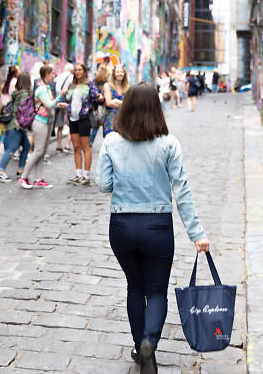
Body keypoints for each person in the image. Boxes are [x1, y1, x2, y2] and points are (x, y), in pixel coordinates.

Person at [95, 83, 209, 372]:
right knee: (156, 290)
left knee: (135, 285)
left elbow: (103, 185)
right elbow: (181, 191)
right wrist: (197, 234)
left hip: (121, 224)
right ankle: (149, 342)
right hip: (157, 226)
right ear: (157, 109)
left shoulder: (110, 141)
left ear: (126, 107)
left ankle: (139, 347)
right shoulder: (169, 143)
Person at [20, 65, 60, 188]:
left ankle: (38, 179)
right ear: (47, 74)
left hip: (46, 122)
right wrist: (60, 97)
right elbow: (48, 104)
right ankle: (24, 177)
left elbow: (50, 105)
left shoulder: (46, 88)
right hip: (40, 122)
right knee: (38, 151)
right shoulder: (41, 89)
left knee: (42, 152)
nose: (55, 75)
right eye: (53, 73)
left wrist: (59, 104)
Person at [61, 63, 100, 186]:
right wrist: (64, 103)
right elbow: (67, 100)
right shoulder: (71, 85)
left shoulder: (89, 84)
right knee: (76, 147)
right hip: (73, 119)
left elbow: (96, 97)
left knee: (85, 147)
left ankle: (86, 176)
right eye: (76, 70)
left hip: (84, 118)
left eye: (80, 70)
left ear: (84, 71)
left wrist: (100, 97)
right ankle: (78, 174)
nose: (77, 72)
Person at [0, 73, 32, 182]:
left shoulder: (17, 93)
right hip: (16, 125)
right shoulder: (24, 94)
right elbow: (21, 110)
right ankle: (0, 172)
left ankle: (21, 170)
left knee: (26, 146)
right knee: (11, 149)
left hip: (15, 124)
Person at [103, 64, 129, 136]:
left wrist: (116, 101)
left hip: (125, 120)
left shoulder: (128, 87)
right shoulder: (107, 85)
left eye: (122, 72)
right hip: (111, 120)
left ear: (124, 74)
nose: (120, 74)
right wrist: (124, 103)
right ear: (114, 74)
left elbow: (130, 104)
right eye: (117, 72)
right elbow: (108, 103)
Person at [54, 63, 74, 153]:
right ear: (71, 70)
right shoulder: (72, 78)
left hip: (58, 101)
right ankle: (67, 145)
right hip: (68, 102)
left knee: (60, 125)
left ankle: (58, 146)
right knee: (71, 124)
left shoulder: (58, 77)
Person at [90, 64, 110, 146]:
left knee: (96, 126)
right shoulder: (107, 83)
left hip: (95, 106)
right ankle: (107, 142)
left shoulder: (94, 82)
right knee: (104, 124)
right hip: (104, 106)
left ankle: (90, 141)